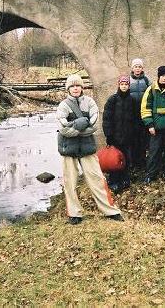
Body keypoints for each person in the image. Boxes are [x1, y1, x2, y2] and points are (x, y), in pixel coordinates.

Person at [56, 74, 123, 224]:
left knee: (97, 179)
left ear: (82, 87)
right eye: (72, 86)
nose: (75, 88)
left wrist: (74, 127)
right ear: (68, 89)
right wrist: (81, 125)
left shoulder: (90, 102)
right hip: (69, 148)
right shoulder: (63, 106)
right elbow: (63, 129)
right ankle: (74, 214)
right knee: (70, 182)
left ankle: (110, 211)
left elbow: (93, 126)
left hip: (87, 147)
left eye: (77, 85)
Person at [102, 75, 136, 193]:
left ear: (128, 86)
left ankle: (125, 179)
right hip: (115, 137)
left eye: (126, 84)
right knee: (114, 160)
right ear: (119, 85)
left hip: (128, 137)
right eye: (122, 84)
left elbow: (136, 119)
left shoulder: (132, 100)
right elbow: (107, 119)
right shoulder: (112, 100)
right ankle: (114, 181)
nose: (124, 86)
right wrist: (109, 135)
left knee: (126, 159)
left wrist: (135, 134)